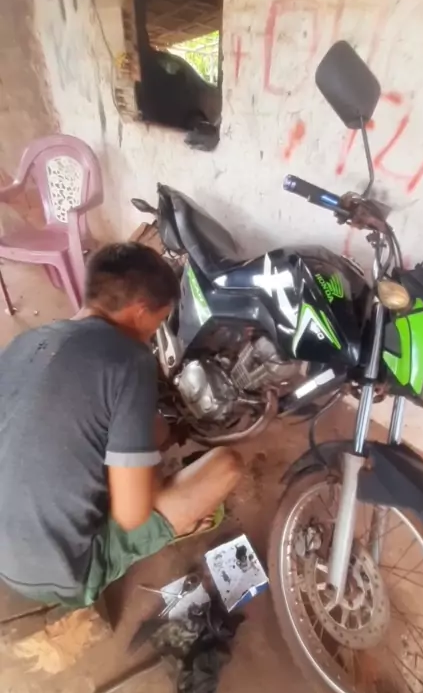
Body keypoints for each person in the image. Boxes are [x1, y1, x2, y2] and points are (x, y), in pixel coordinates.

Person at [0, 242, 242, 609]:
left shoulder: (26, 341)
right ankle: (167, 529)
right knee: (226, 466)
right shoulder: (130, 360)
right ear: (140, 311)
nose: (156, 331)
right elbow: (131, 515)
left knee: (148, 434)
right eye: (160, 320)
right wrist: (151, 477)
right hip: (60, 573)